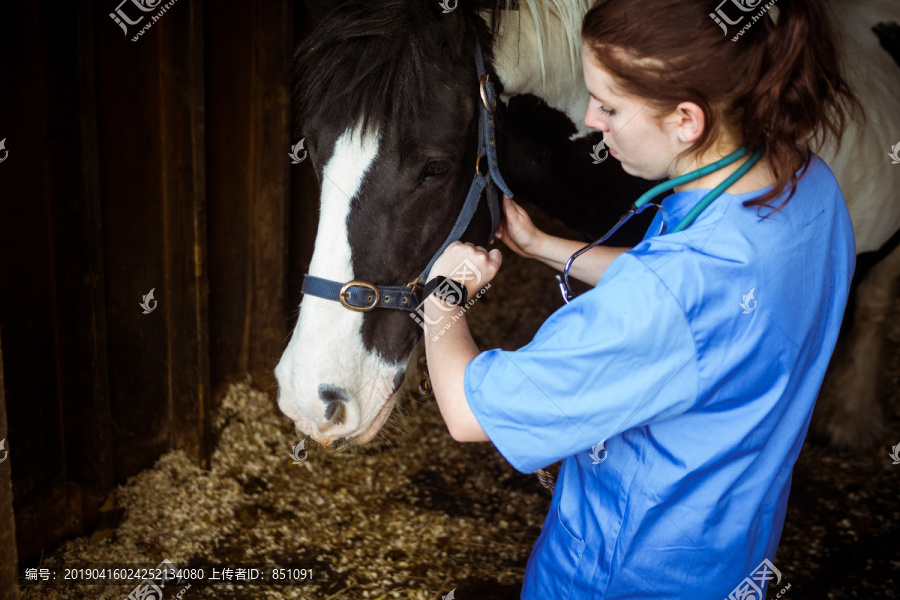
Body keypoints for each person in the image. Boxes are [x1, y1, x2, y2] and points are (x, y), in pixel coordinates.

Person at [422, 0, 859, 597]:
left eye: (609, 105)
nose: (588, 117)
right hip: (729, 559)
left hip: (616, 577)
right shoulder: (807, 186)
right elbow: (702, 303)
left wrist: (442, 297)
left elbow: (468, 413)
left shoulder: (669, 295)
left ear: (686, 120)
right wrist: (547, 246)